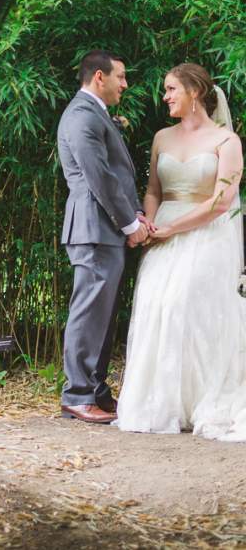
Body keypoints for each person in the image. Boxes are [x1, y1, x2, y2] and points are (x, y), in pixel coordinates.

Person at [116, 63, 246, 439]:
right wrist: (151, 226)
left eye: (172, 89)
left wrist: (174, 227)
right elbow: (154, 189)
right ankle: (165, 402)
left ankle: (203, 398)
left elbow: (223, 202)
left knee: (187, 305)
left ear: (194, 92)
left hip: (208, 232)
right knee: (157, 307)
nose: (166, 96)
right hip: (163, 231)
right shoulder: (162, 137)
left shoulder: (227, 141)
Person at [57, 50, 152, 424]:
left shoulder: (95, 114)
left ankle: (95, 390)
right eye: (121, 77)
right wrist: (130, 223)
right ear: (100, 76)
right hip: (93, 228)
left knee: (104, 315)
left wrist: (134, 216)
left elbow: (115, 175)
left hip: (104, 228)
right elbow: (98, 176)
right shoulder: (81, 116)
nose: (125, 85)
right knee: (89, 311)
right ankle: (77, 395)